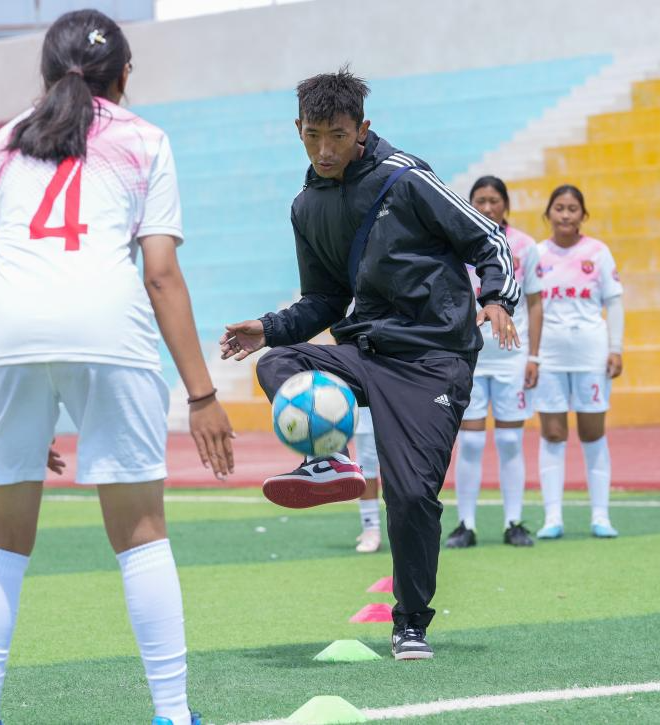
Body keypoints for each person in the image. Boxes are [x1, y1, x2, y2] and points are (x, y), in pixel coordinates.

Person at [0, 11, 232, 725]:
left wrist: (33, 397)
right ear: (125, 75)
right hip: (106, 328)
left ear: (46, 74)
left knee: (2, 536)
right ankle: (173, 714)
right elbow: (162, 275)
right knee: (141, 530)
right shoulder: (145, 140)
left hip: (5, 333)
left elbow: (0, 261)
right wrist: (202, 394)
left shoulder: (0, 143)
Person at [219, 68, 520, 660]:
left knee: (410, 498)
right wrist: (268, 328)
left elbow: (489, 239)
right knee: (277, 365)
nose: (324, 150)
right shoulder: (306, 206)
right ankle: (327, 460)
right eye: (312, 137)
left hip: (434, 360)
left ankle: (409, 621)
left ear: (363, 129)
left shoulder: (406, 179)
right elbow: (326, 301)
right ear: (297, 131)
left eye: (337, 135)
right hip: (366, 353)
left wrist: (494, 298)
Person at [446, 176, 543, 549]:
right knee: (469, 444)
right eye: (480, 201)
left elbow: (534, 302)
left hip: (510, 357)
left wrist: (534, 355)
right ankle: (465, 524)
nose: (487, 207)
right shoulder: (457, 244)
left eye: (494, 200)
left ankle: (513, 522)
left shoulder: (524, 247)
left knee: (509, 439)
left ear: (506, 205)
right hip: (469, 357)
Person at [533, 185, 624, 539]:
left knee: (592, 432)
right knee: (553, 433)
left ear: (583, 215)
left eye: (573, 209)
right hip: (551, 356)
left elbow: (614, 303)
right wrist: (533, 355)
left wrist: (616, 348)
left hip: (590, 353)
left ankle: (600, 515)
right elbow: (530, 305)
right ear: (548, 214)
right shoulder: (537, 255)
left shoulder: (598, 253)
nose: (566, 215)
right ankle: (552, 517)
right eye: (559, 208)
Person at [353, 408, 382, 553]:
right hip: (365, 401)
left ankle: (412, 526)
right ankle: (371, 527)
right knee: (366, 461)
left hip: (401, 394)